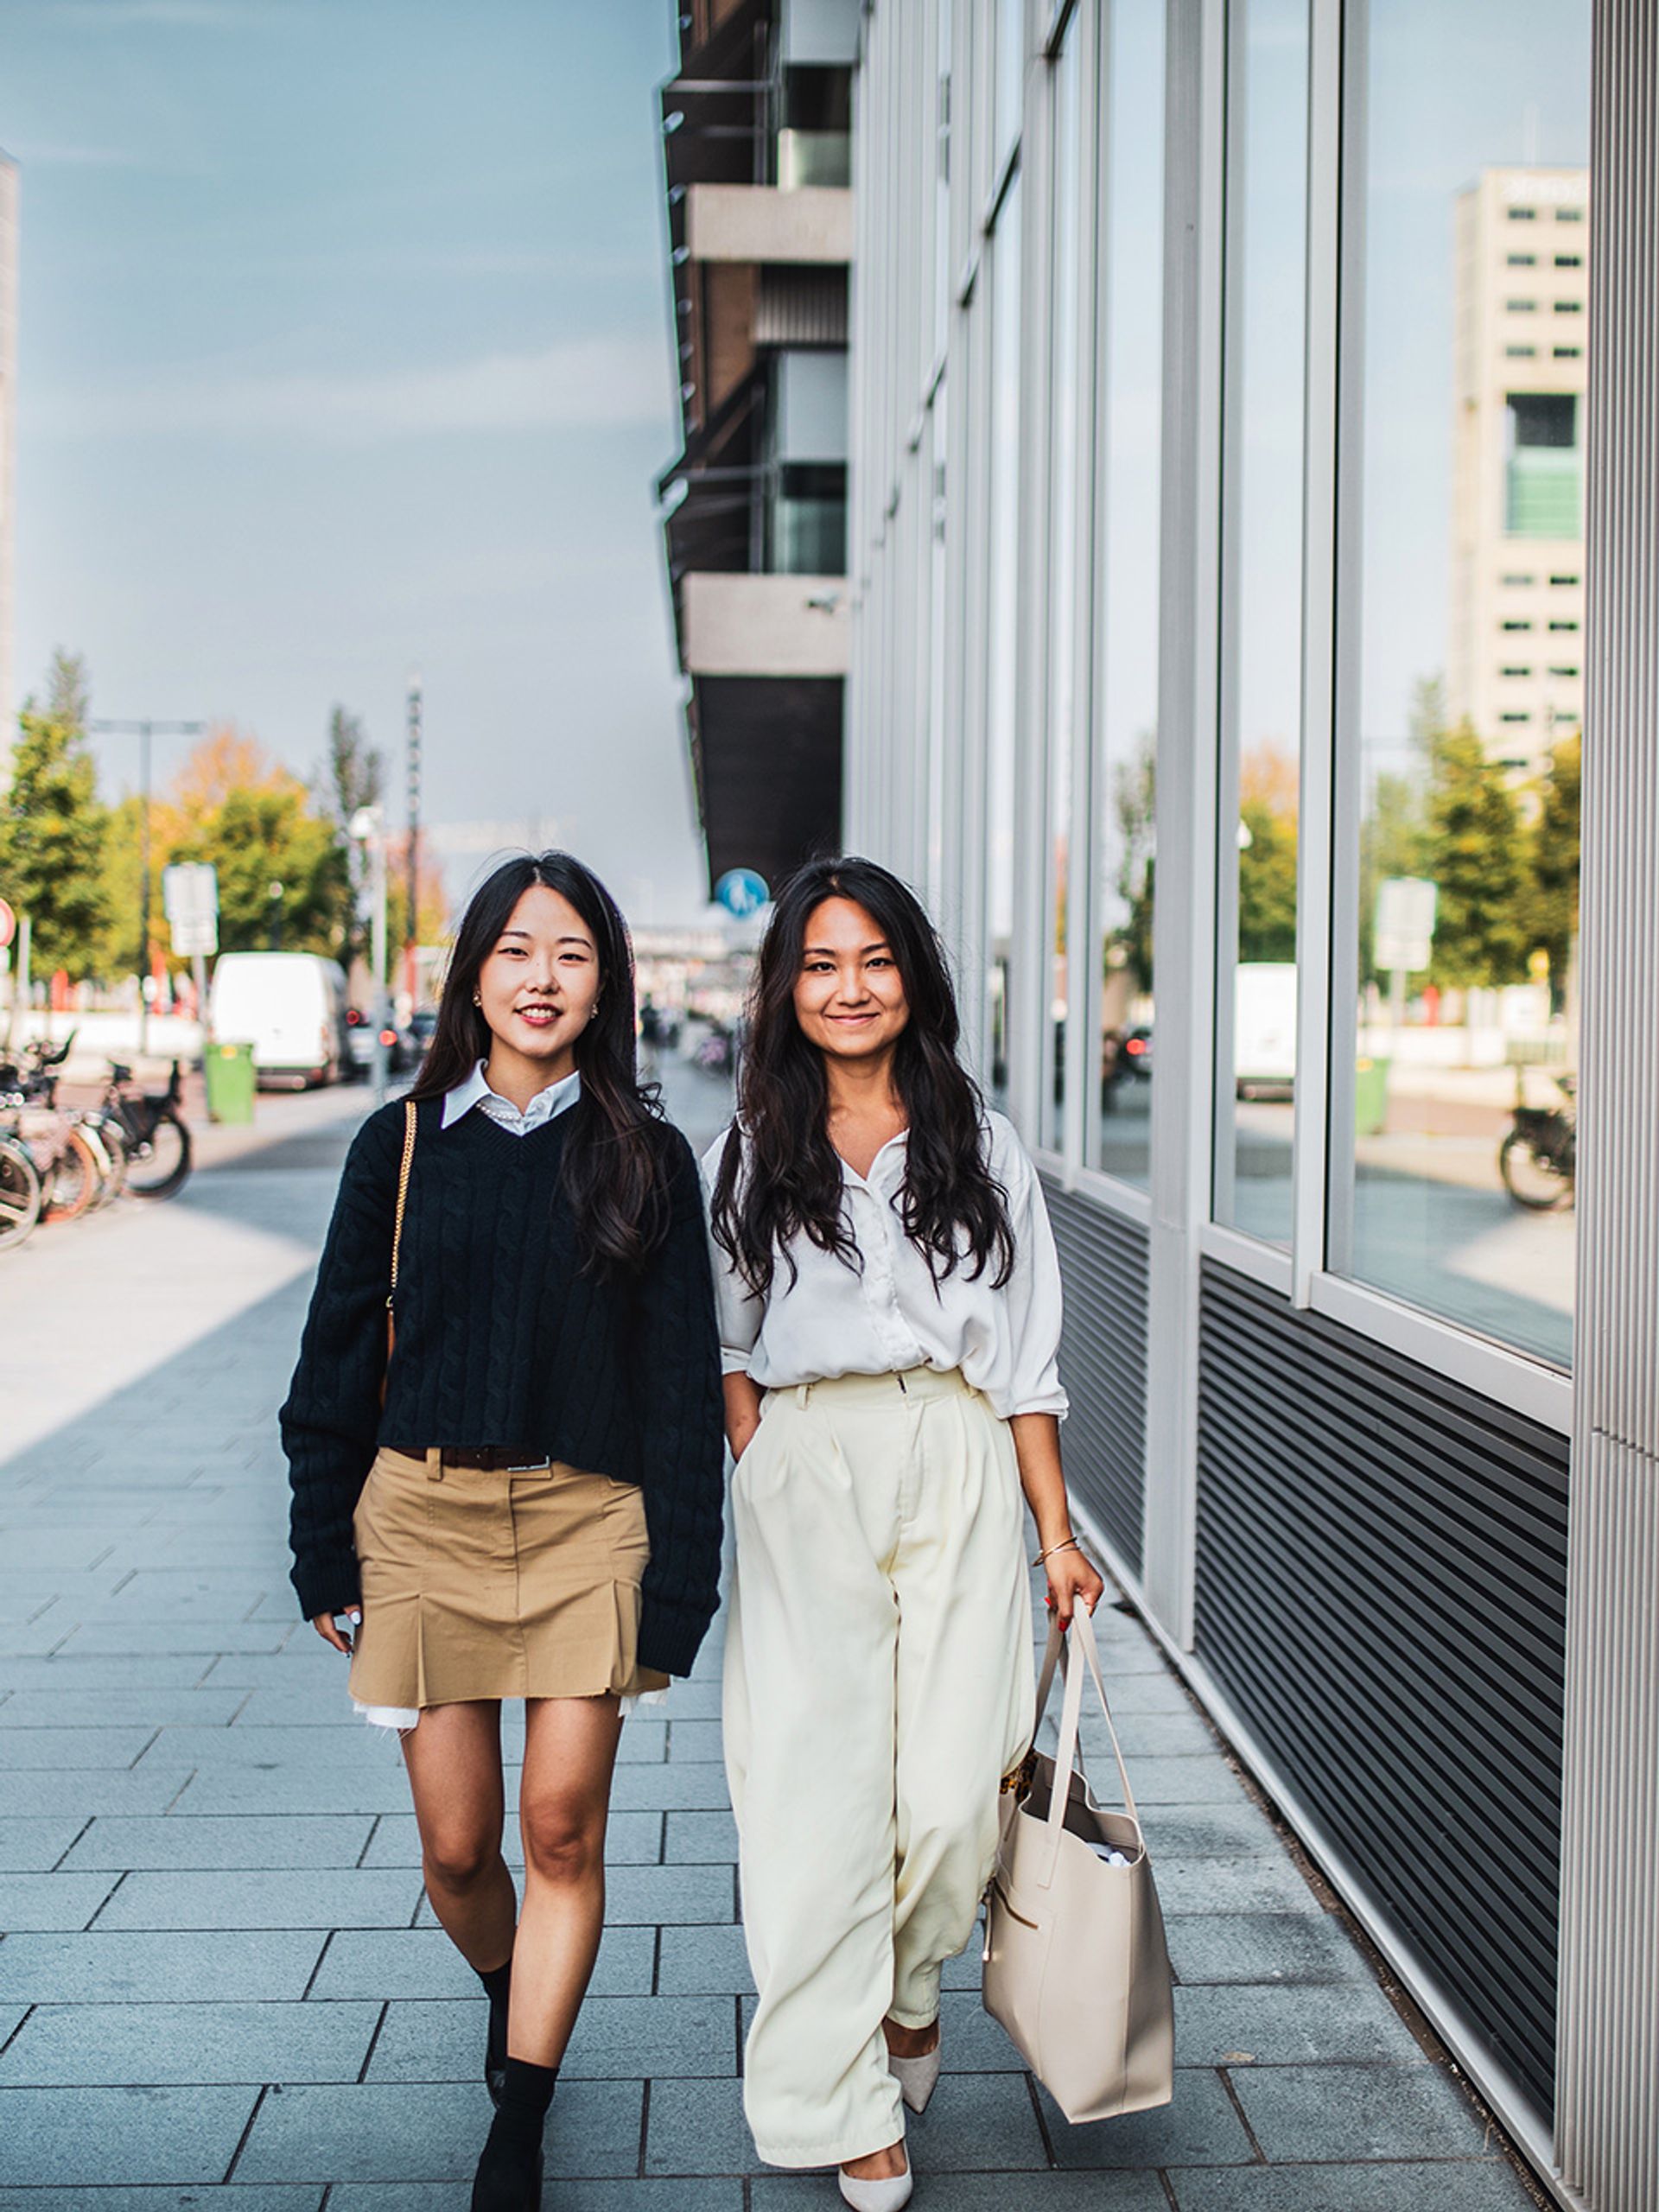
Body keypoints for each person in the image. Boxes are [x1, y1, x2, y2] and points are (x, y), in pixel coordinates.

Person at [280, 850, 725, 2212]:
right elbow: (336, 1357)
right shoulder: (400, 1144)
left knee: (560, 1830)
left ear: (607, 984)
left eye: (573, 954)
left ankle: (517, 2128)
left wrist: (679, 1593)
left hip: (589, 1519)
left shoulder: (645, 1156)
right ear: (473, 971)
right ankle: (502, 1986)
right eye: (518, 950)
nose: (543, 977)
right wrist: (321, 1542)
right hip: (419, 1515)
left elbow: (677, 1393)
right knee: (461, 1848)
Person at [703, 856, 1104, 2211]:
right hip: (808, 1462)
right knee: (812, 1797)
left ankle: (912, 1985)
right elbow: (728, 1339)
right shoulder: (752, 1145)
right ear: (786, 987)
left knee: (952, 1796)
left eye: (872, 959)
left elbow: (1029, 1366)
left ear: (912, 976)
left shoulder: (981, 1145)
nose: (848, 986)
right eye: (819, 963)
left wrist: (1057, 1537)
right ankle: (836, 2101)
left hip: (962, 1454)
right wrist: (762, 1455)